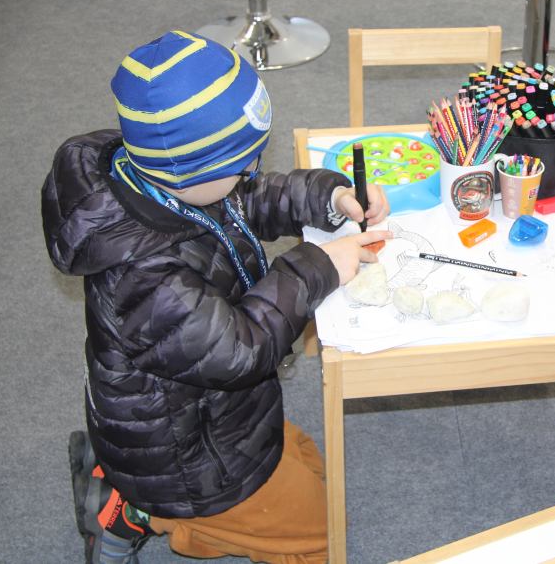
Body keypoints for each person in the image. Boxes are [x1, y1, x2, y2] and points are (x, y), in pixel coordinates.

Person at [42, 30, 391, 563]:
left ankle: (135, 497)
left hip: (213, 414)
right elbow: (240, 350)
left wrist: (331, 196)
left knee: (308, 461)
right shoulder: (142, 276)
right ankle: (138, 513)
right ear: (193, 170)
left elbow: (253, 197)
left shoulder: (163, 176)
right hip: (190, 464)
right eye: (242, 165)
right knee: (324, 537)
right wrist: (318, 266)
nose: (251, 172)